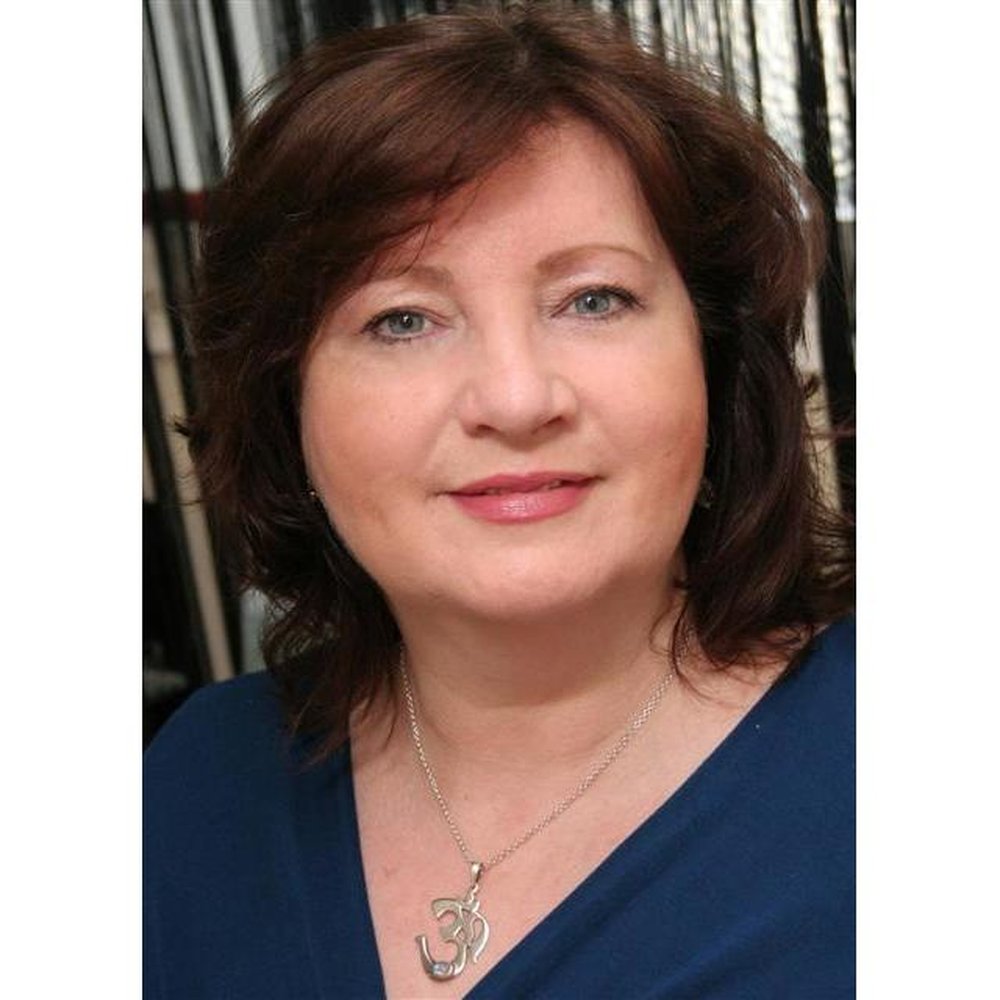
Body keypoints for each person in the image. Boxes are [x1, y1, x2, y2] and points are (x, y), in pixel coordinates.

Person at [144, 5, 855, 998]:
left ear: (716, 361)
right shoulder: (194, 784)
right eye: (403, 320)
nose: (517, 399)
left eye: (593, 299)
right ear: (287, 402)